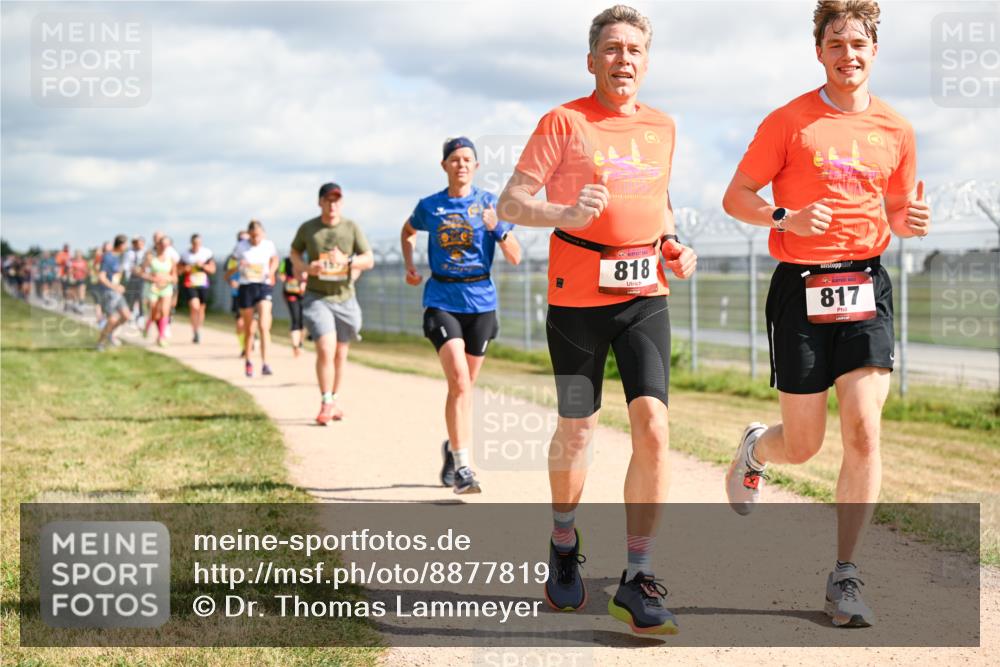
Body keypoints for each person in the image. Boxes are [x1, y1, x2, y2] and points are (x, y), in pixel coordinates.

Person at [721, 0, 930, 629]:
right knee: (806, 445)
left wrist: (909, 222)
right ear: (819, 52)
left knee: (864, 427)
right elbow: (737, 197)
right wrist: (784, 217)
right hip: (801, 290)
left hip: (866, 284)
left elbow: (895, 209)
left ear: (874, 51)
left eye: (859, 42)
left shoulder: (897, 129)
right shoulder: (790, 122)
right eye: (836, 43)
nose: (848, 54)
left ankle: (846, 574)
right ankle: (760, 449)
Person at [497, 5, 696, 634]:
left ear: (647, 61)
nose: (624, 59)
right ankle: (562, 542)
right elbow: (509, 202)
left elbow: (659, 205)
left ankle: (637, 578)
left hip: (646, 295)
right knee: (578, 431)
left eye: (635, 50)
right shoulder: (564, 122)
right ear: (592, 60)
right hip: (576, 300)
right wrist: (562, 209)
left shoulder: (663, 127)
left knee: (654, 431)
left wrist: (675, 244)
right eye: (612, 49)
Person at [401, 137, 522, 494]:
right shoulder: (431, 206)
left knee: (465, 389)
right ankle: (465, 467)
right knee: (459, 382)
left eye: (468, 159)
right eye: (455, 159)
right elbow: (407, 232)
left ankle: (453, 450)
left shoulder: (490, 204)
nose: (462, 164)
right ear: (444, 166)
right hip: (442, 298)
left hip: (481, 304)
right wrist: (410, 266)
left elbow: (514, 256)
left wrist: (496, 228)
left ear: (476, 166)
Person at [291, 182, 375, 425]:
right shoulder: (309, 228)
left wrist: (348, 261)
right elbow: (295, 252)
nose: (333, 204)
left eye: (337, 200)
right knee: (325, 348)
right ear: (320, 202)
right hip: (318, 297)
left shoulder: (351, 227)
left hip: (345, 298)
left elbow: (368, 259)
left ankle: (335, 400)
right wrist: (307, 268)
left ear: (342, 203)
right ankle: (326, 401)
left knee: (340, 353)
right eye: (328, 200)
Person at [226, 220, 278, 377]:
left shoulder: (269, 245)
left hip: (263, 286)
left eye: (258, 236)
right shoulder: (241, 247)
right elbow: (229, 269)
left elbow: (275, 259)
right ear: (248, 234)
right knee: (249, 329)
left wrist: (272, 271)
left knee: (263, 326)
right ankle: (248, 361)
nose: (255, 239)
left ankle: (266, 363)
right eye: (253, 236)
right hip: (246, 287)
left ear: (263, 234)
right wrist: (237, 268)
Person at [138, 235, 178, 347]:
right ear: (158, 245)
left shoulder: (171, 260)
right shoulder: (150, 257)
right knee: (154, 312)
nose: (164, 247)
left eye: (167, 245)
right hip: (153, 288)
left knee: (165, 311)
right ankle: (147, 326)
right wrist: (152, 278)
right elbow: (141, 273)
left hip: (166, 288)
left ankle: (161, 337)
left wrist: (167, 278)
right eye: (163, 244)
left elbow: (175, 278)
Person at [95, 235, 133, 351]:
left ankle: (110, 333)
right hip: (108, 292)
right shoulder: (108, 257)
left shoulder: (122, 257)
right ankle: (100, 343)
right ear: (121, 245)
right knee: (112, 319)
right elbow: (101, 277)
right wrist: (115, 287)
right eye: (125, 244)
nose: (127, 247)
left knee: (126, 316)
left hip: (118, 293)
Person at [179, 234, 216, 344]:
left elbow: (212, 270)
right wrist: (187, 268)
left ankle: (198, 329)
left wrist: (203, 266)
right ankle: (194, 331)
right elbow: (179, 270)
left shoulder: (207, 253)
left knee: (201, 309)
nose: (196, 245)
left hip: (203, 284)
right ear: (191, 243)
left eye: (198, 243)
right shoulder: (185, 255)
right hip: (190, 284)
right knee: (194, 307)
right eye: (195, 243)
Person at [278, 255, 308, 357]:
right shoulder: (285, 261)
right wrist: (289, 279)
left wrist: (304, 279)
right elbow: (281, 275)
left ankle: (300, 343)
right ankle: (295, 346)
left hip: (304, 294)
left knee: (303, 321)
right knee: (295, 319)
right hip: (291, 293)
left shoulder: (306, 258)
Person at [122, 236, 147, 328]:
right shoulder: (129, 253)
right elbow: (125, 266)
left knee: (140, 296)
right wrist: (132, 270)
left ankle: (140, 315)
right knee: (131, 297)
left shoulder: (145, 253)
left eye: (141, 243)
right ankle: (131, 314)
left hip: (142, 278)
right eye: (137, 243)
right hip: (131, 278)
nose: (139, 245)